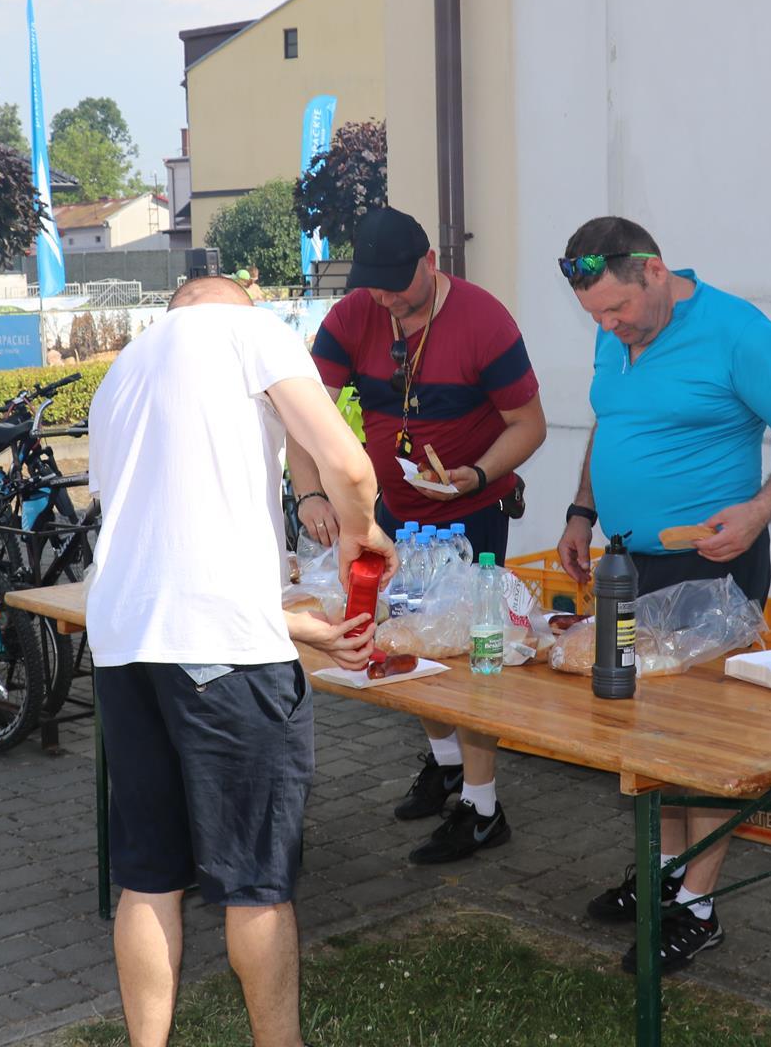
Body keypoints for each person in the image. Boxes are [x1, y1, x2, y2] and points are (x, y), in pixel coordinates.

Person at [87, 274, 395, 1047]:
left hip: (124, 646)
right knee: (256, 882)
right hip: (224, 658)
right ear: (236, 307)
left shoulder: (121, 373)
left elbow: (166, 547)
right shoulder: (249, 331)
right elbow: (350, 467)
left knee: (148, 877)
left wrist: (294, 626)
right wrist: (361, 534)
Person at [554, 215, 771, 974]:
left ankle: (698, 909)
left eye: (618, 310)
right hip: (627, 566)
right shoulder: (615, 332)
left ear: (655, 270)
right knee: (645, 734)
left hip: (711, 569)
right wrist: (581, 512)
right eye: (597, 317)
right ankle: (665, 874)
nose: (610, 327)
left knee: (701, 744)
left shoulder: (737, 331)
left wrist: (759, 510)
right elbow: (610, 423)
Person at [290, 206, 547, 865]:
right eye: (375, 291)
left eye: (399, 291)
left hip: (472, 512)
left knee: (470, 655)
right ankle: (448, 765)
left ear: (431, 263)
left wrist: (476, 473)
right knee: (406, 640)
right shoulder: (352, 316)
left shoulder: (485, 321)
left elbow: (529, 425)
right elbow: (303, 418)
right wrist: (311, 492)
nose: (388, 304)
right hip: (393, 515)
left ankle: (484, 809)